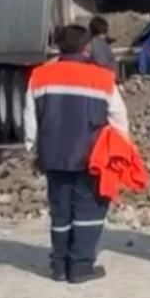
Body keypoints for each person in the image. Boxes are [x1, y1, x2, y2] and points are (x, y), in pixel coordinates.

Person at [23, 24, 129, 284]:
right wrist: (120, 150)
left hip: (53, 156)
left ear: (58, 47)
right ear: (86, 47)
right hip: (91, 156)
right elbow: (119, 118)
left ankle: (59, 265)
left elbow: (30, 119)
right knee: (89, 210)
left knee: (60, 210)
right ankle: (80, 266)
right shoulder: (102, 78)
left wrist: (33, 149)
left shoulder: (39, 76)